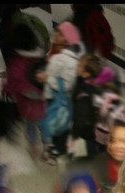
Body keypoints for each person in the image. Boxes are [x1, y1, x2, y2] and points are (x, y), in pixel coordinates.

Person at [35, 21, 86, 159]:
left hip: (59, 97)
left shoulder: (69, 60)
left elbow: (67, 83)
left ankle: (58, 148)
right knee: (56, 121)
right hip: (53, 95)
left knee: (60, 122)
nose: (56, 35)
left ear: (68, 40)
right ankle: (55, 145)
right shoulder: (57, 50)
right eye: (57, 32)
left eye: (61, 34)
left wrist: (47, 78)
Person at [2, 22, 47, 162]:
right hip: (44, 104)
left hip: (27, 107)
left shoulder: (15, 64)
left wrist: (6, 85)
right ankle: (46, 150)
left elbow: (10, 86)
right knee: (45, 127)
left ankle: (33, 148)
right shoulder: (41, 56)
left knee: (30, 127)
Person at [68, 54, 102, 160]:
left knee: (93, 153)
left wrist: (74, 136)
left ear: (86, 73)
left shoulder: (84, 92)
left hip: (89, 130)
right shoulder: (95, 83)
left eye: (79, 66)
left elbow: (80, 118)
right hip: (97, 127)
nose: (76, 67)